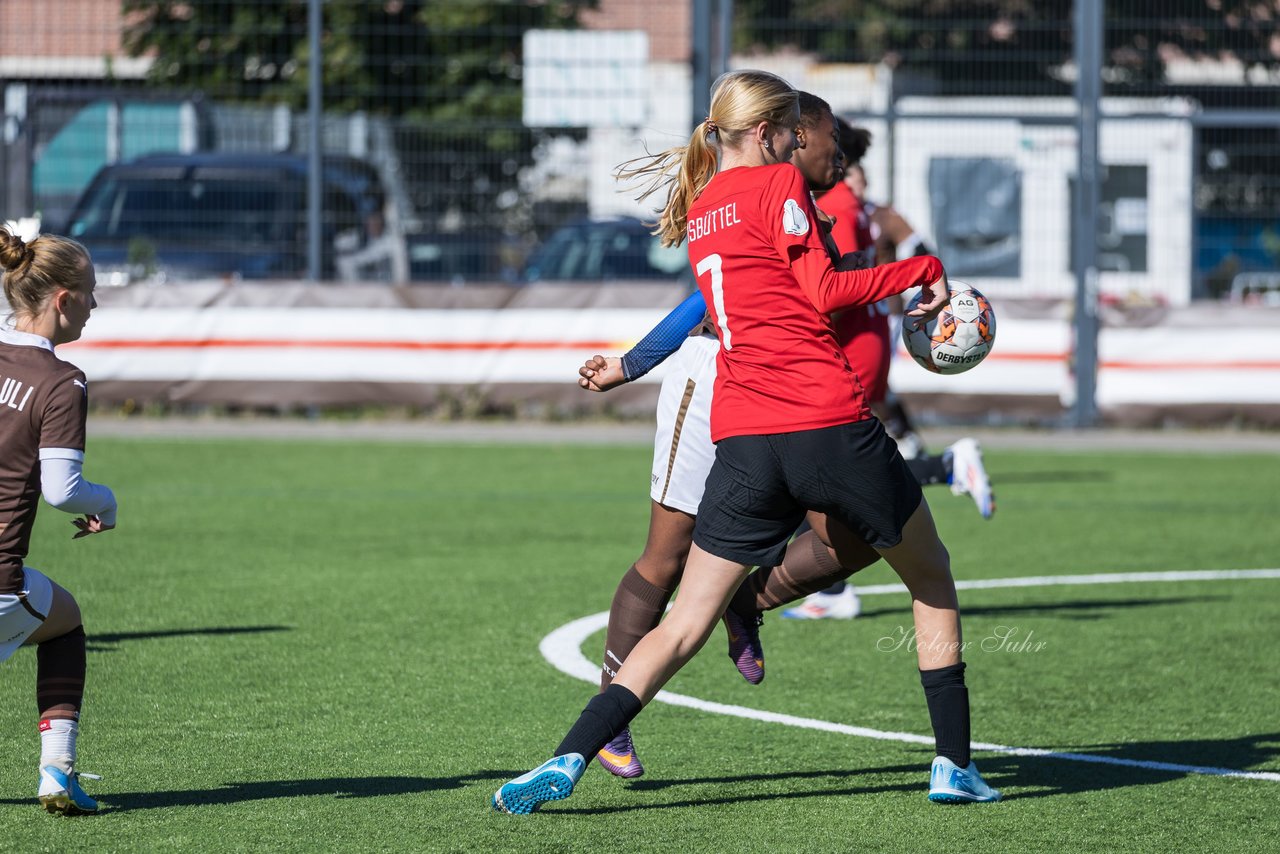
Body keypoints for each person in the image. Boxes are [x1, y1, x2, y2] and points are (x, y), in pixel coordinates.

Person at [493, 69, 1001, 814]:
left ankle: (566, 756)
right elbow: (823, 291)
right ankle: (953, 766)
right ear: (764, 133)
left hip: (745, 434)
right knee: (931, 578)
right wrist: (921, 268)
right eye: (792, 128)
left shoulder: (703, 207)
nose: (800, 140)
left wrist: (630, 364)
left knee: (686, 620)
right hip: (826, 419)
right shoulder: (780, 188)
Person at [578, 90, 879, 781]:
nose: (845, 151)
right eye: (834, 136)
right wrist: (629, 365)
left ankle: (749, 598)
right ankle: (611, 719)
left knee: (856, 529)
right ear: (792, 137)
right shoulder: (767, 195)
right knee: (667, 555)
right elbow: (701, 302)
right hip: (717, 377)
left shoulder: (825, 204)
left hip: (792, 392)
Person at [785, 155, 995, 621]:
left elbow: (833, 288)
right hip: (870, 338)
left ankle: (946, 466)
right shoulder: (863, 207)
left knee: (820, 469)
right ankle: (833, 590)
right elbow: (890, 252)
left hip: (848, 344)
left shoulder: (835, 202)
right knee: (822, 472)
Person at [0, 224, 116, 815]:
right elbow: (63, 491)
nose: (97, 304)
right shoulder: (61, 381)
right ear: (63, 300)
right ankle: (56, 773)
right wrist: (107, 504)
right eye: (92, 292)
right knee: (65, 625)